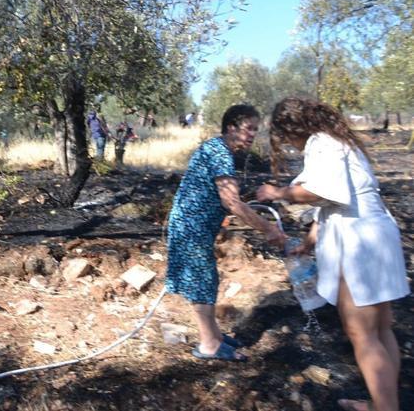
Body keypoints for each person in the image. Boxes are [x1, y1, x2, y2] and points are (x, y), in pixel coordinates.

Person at [256, 98, 409, 411]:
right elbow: (339, 199)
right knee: (381, 327)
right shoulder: (338, 141)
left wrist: (278, 192)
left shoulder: (321, 144)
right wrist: (311, 242)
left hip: (358, 241)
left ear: (293, 129)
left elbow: (323, 193)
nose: (290, 145)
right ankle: (384, 403)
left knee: (361, 332)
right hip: (376, 233)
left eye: (287, 138)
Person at [166, 104, 287, 361]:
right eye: (249, 128)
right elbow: (231, 203)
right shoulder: (220, 153)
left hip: (192, 225)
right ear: (231, 128)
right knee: (202, 281)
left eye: (256, 129)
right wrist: (269, 228)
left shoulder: (217, 149)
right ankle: (209, 344)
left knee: (206, 280)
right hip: (191, 227)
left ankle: (214, 335)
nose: (253, 134)